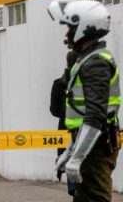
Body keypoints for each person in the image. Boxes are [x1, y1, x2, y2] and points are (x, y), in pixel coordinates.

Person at [50, 0, 120, 202]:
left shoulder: (96, 63)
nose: (67, 34)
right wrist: (70, 151)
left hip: (95, 149)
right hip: (90, 146)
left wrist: (77, 157)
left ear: (84, 27)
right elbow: (84, 117)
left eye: (70, 28)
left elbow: (95, 115)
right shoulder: (88, 59)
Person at [49, 50, 79, 195]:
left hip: (65, 129)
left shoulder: (58, 84)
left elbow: (54, 110)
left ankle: (73, 187)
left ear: (67, 63)